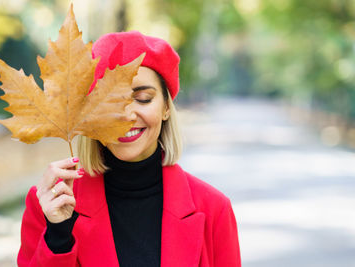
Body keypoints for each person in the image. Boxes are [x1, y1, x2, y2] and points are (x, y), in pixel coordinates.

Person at [17, 31, 241, 267]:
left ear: (166, 107)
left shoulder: (214, 209)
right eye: (111, 100)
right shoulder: (50, 204)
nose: (126, 115)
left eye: (143, 98)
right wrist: (58, 237)